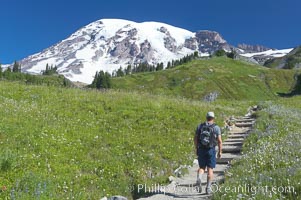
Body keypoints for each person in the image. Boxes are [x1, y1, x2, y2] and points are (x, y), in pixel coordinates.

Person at [194, 111, 222, 194]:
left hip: (201, 149)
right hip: (211, 150)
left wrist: (196, 148)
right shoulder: (216, 127)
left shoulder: (200, 126)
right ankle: (208, 188)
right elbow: (219, 141)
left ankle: (199, 177)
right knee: (210, 169)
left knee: (202, 167)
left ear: (206, 117)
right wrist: (220, 151)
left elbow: (195, 139)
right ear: (213, 118)